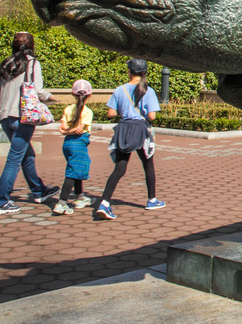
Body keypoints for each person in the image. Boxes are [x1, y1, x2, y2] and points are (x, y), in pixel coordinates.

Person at [0, 32, 58, 215]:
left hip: (5, 116)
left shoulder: (5, 63)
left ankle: (39, 190)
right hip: (24, 117)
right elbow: (37, 90)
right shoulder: (33, 63)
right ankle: (1, 201)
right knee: (14, 159)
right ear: (31, 45)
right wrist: (50, 98)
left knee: (27, 154)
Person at [96, 59, 165, 219]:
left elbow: (111, 113)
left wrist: (125, 112)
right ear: (144, 72)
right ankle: (152, 200)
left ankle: (104, 203)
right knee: (148, 165)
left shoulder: (120, 90)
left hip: (124, 129)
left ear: (129, 71)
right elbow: (152, 116)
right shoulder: (148, 91)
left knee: (119, 169)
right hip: (141, 130)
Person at [53, 80, 94, 215]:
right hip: (78, 144)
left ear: (73, 93)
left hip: (67, 144)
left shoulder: (68, 109)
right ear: (90, 95)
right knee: (73, 172)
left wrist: (65, 132)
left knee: (77, 168)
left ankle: (79, 196)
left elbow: (64, 127)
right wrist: (69, 131)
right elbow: (79, 130)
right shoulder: (87, 112)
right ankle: (62, 202)